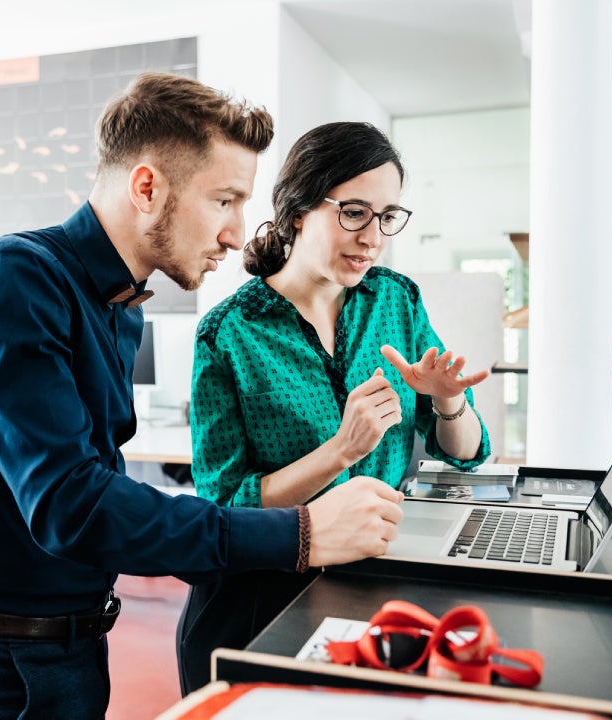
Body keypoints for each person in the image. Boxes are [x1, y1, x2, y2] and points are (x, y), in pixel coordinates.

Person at [0, 73, 406, 719]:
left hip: (72, 648)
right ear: (147, 188)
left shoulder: (121, 307)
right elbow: (71, 505)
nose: (236, 233)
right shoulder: (12, 281)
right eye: (224, 201)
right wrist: (301, 534)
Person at [177, 121, 492, 693]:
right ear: (298, 210)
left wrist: (449, 402)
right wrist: (342, 450)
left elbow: (465, 452)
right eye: (354, 212)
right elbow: (224, 506)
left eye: (388, 216)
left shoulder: (395, 299)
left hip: (374, 583)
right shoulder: (228, 333)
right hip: (261, 600)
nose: (373, 237)